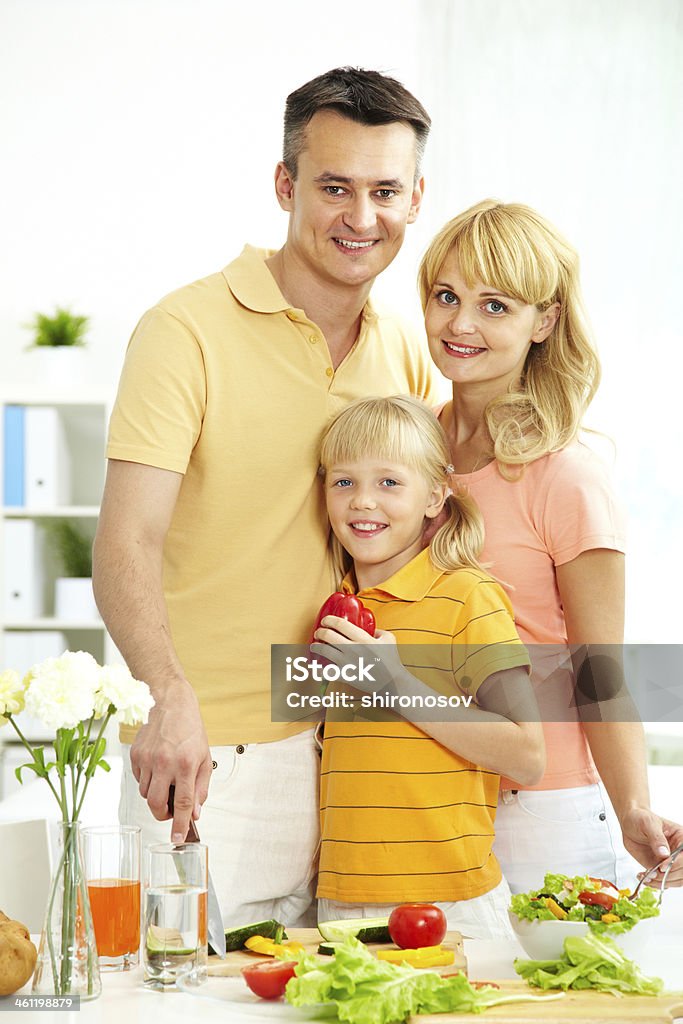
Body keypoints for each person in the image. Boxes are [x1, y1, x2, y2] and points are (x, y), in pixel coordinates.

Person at [92, 67, 440, 926]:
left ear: (415, 198)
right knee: (175, 998)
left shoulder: (403, 347)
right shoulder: (185, 330)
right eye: (333, 187)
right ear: (285, 185)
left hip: (348, 754)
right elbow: (125, 542)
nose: (361, 218)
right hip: (209, 754)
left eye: (385, 191)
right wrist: (168, 694)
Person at [418, 199, 683, 891]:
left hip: (538, 809)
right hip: (422, 795)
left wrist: (631, 809)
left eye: (494, 305)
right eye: (445, 296)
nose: (460, 323)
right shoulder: (405, 451)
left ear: (544, 320)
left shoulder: (566, 478)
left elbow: (599, 669)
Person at [311, 395, 545, 939]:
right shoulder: (335, 606)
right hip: (342, 902)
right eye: (343, 482)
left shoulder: (468, 595)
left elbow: (528, 756)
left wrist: (396, 683)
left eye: (389, 483)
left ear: (436, 495)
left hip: (452, 904)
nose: (362, 502)